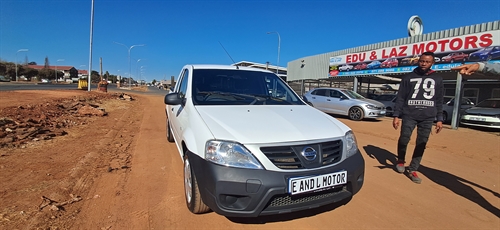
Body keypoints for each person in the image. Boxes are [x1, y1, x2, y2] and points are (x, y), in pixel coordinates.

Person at [392, 51, 444, 184]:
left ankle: (413, 169)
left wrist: (439, 119)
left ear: (432, 63)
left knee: (422, 143)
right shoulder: (408, 77)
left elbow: (439, 100)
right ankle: (400, 160)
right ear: (418, 61)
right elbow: (400, 98)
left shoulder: (437, 79)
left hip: (428, 117)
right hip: (409, 114)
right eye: (422, 61)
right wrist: (396, 115)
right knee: (404, 139)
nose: (424, 63)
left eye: (427, 61)